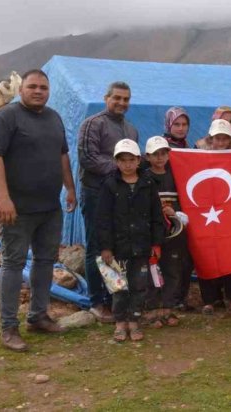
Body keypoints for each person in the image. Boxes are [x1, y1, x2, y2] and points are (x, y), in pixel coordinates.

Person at [0, 69, 76, 352]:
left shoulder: (53, 118)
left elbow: (62, 155)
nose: (38, 91)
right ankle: (9, 327)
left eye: (43, 87)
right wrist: (2, 198)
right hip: (17, 208)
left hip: (49, 206)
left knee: (46, 261)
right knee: (12, 264)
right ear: (21, 89)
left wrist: (70, 188)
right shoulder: (6, 117)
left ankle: (38, 316)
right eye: (33, 86)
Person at [77, 81, 138, 323]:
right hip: (95, 194)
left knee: (119, 245)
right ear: (106, 98)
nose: (122, 103)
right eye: (117, 98)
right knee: (96, 247)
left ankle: (117, 297)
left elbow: (135, 159)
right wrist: (122, 168)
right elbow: (88, 158)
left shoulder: (131, 130)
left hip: (122, 197)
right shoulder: (93, 124)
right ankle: (96, 301)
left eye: (126, 99)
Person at [96, 139, 165, 342]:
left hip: (142, 247)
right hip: (118, 248)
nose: (127, 164)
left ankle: (134, 321)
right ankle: (120, 322)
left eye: (131, 159)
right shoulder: (110, 185)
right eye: (122, 160)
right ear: (116, 162)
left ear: (138, 160)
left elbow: (156, 217)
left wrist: (156, 243)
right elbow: (103, 219)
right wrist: (106, 247)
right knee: (119, 287)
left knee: (139, 286)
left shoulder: (148, 184)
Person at [197, 118, 231, 314]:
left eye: (224, 139)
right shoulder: (199, 159)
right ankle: (210, 299)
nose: (221, 143)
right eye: (217, 138)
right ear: (210, 140)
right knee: (207, 252)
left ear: (230, 140)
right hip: (207, 215)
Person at [143, 136, 193, 325]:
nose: (160, 157)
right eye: (155, 154)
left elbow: (186, 203)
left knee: (172, 269)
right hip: (152, 234)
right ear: (147, 156)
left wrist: (175, 212)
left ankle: (168, 308)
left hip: (175, 234)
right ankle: (152, 309)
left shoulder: (176, 177)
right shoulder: (144, 177)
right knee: (152, 269)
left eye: (163, 153)